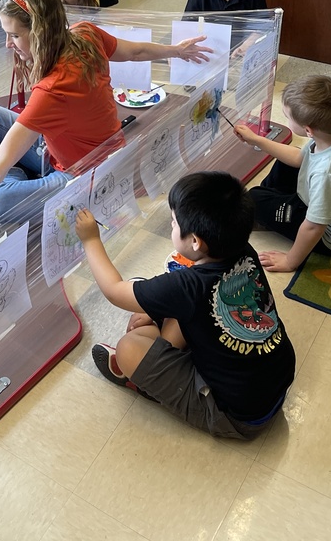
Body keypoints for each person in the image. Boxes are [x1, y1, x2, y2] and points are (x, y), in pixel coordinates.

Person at [0, 0, 212, 246]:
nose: (8, 44)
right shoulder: (84, 33)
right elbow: (134, 52)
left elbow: (4, 157)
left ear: (39, 32)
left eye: (14, 35)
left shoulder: (52, 89)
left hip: (84, 177)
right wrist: (176, 51)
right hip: (59, 149)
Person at [75, 171, 296, 439]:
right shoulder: (244, 250)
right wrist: (156, 311)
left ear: (195, 241)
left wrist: (90, 240)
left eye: (174, 222)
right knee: (161, 309)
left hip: (237, 417)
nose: (172, 225)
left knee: (128, 348)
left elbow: (113, 291)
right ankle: (164, 352)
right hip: (274, 380)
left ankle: (151, 387)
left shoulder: (186, 287)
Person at [237, 75, 331, 273]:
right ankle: (271, 205)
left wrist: (290, 261)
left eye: (287, 117)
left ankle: (267, 210)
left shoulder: (327, 173)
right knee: (284, 162)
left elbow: (314, 227)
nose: (286, 120)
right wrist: (257, 140)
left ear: (308, 130)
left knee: (253, 199)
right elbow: (299, 158)